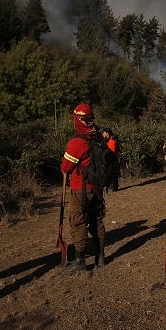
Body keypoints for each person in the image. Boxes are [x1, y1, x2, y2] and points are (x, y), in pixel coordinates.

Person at [59, 103, 107, 272]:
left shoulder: (77, 142)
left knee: (78, 222)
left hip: (80, 189)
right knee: (96, 220)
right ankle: (100, 257)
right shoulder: (98, 137)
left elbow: (65, 168)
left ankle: (79, 262)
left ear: (78, 121)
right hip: (97, 187)